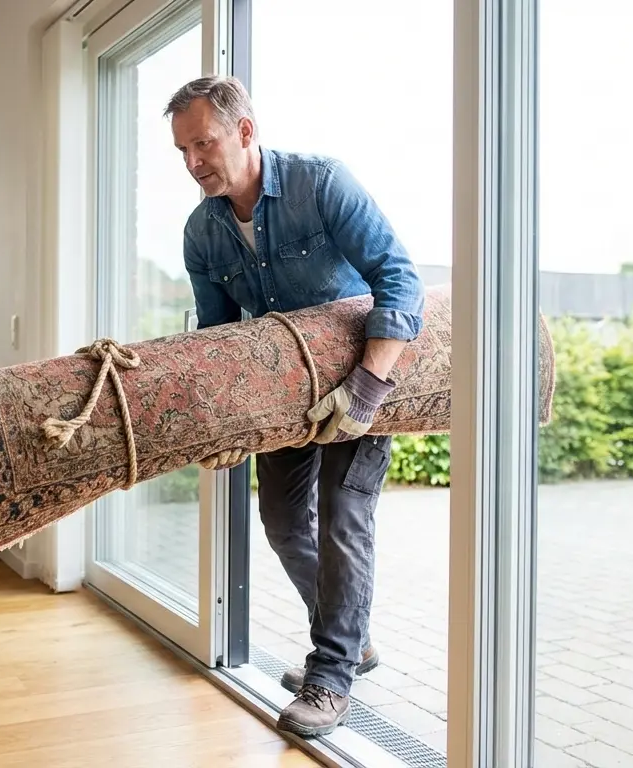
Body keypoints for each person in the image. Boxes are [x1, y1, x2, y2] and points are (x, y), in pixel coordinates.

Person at [165, 75, 424, 737]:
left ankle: (332, 675)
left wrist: (368, 387)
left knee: (344, 517)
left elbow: (399, 276)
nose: (194, 163)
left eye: (204, 144)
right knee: (282, 520)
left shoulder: (321, 183)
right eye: (183, 151)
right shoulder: (203, 233)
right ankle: (352, 639)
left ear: (245, 132)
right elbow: (219, 336)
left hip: (358, 379)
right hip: (285, 399)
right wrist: (224, 418)